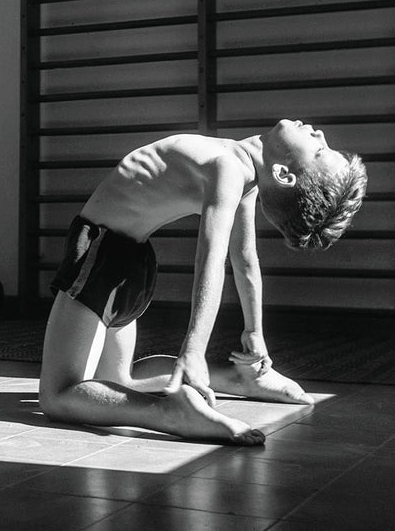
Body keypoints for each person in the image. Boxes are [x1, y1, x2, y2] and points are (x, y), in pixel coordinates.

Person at [38, 119, 368, 445]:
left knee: (59, 394)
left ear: (283, 173)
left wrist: (193, 350)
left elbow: (212, 258)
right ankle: (239, 377)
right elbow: (245, 260)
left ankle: (167, 413)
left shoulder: (227, 168)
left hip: (103, 254)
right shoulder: (244, 174)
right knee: (116, 381)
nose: (319, 133)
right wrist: (254, 335)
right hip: (131, 264)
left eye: (320, 150)